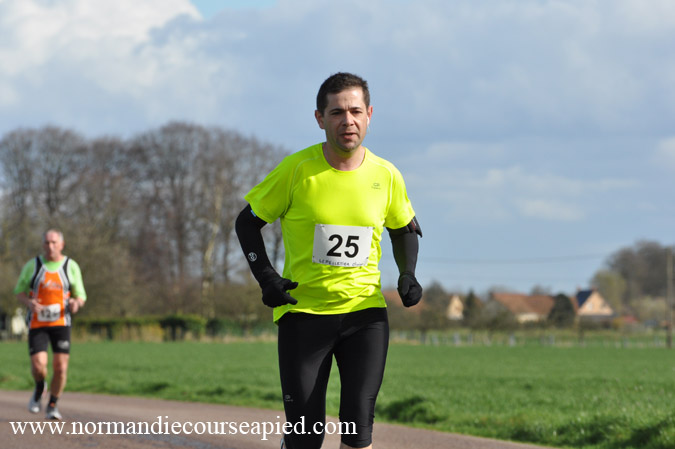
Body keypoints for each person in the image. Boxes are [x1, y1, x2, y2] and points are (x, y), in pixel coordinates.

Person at [235, 72, 423, 449]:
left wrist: (408, 274)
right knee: (306, 435)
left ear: (369, 115)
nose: (347, 121)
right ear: (320, 119)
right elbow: (247, 222)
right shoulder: (296, 170)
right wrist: (266, 277)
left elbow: (404, 228)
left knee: (357, 429)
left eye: (355, 111)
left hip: (364, 315)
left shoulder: (386, 175)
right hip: (303, 315)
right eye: (337, 112)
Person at [14, 229, 87, 420]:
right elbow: (19, 291)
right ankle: (40, 387)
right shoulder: (33, 265)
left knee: (60, 367)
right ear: (42, 245)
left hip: (61, 323)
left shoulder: (71, 266)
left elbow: (80, 295)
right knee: (39, 366)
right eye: (47, 242)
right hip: (37, 323)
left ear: (62, 244)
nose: (50, 246)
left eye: (54, 242)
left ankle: (53, 404)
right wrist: (29, 302)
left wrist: (76, 303)